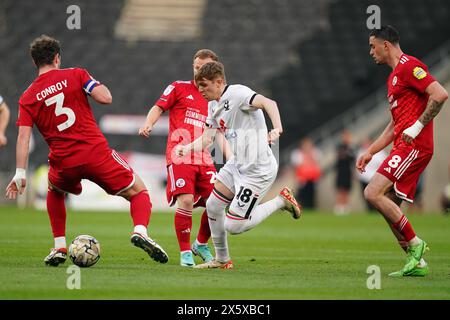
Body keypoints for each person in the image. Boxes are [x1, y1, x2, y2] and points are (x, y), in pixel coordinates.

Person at [5, 35, 168, 266]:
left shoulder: (27, 97)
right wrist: (89, 83)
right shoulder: (76, 74)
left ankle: (59, 246)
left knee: (55, 189)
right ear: (57, 58)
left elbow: (23, 136)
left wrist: (20, 172)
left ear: (34, 62)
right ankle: (140, 231)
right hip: (95, 153)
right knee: (139, 191)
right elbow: (106, 98)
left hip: (63, 161)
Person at [175, 61, 302, 269]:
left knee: (233, 225)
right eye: (198, 86)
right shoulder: (213, 105)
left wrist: (277, 128)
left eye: (204, 86)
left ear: (219, 82)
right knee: (213, 205)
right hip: (237, 165)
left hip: (257, 171)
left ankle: (281, 200)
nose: (201, 91)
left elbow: (270, 103)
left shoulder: (238, 93)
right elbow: (208, 139)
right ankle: (222, 259)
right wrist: (186, 148)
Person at [357, 25, 448, 277]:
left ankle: (417, 245)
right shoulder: (394, 77)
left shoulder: (410, 66)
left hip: (414, 146)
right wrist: (371, 152)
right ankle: (417, 263)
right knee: (387, 206)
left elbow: (440, 94)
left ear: (386, 45)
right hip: (403, 145)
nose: (371, 52)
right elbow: (393, 126)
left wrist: (417, 128)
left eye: (373, 46)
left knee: (372, 192)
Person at [139, 49, 227, 267]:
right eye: (196, 67)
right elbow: (158, 107)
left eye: (203, 68)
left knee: (215, 203)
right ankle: (185, 252)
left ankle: (201, 243)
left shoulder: (216, 96)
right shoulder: (178, 87)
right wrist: (148, 123)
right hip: (179, 155)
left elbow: (220, 132)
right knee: (186, 200)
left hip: (204, 157)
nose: (198, 72)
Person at [355, 137, 388, 212]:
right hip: (363, 178)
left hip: (374, 178)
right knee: (365, 196)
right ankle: (369, 210)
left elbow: (384, 164)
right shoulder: (360, 152)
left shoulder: (380, 153)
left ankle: (377, 210)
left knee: (374, 196)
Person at [290, 137, 321, 209]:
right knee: (302, 195)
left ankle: (311, 208)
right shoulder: (298, 154)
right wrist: (296, 177)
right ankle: (301, 208)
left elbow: (317, 164)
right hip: (302, 178)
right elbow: (296, 167)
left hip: (312, 178)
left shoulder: (315, 152)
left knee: (312, 195)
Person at [334, 129, 355, 215]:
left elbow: (352, 159)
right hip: (341, 171)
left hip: (348, 171)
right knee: (340, 189)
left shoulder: (351, 148)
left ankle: (345, 206)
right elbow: (341, 156)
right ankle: (338, 206)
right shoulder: (340, 146)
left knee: (347, 189)